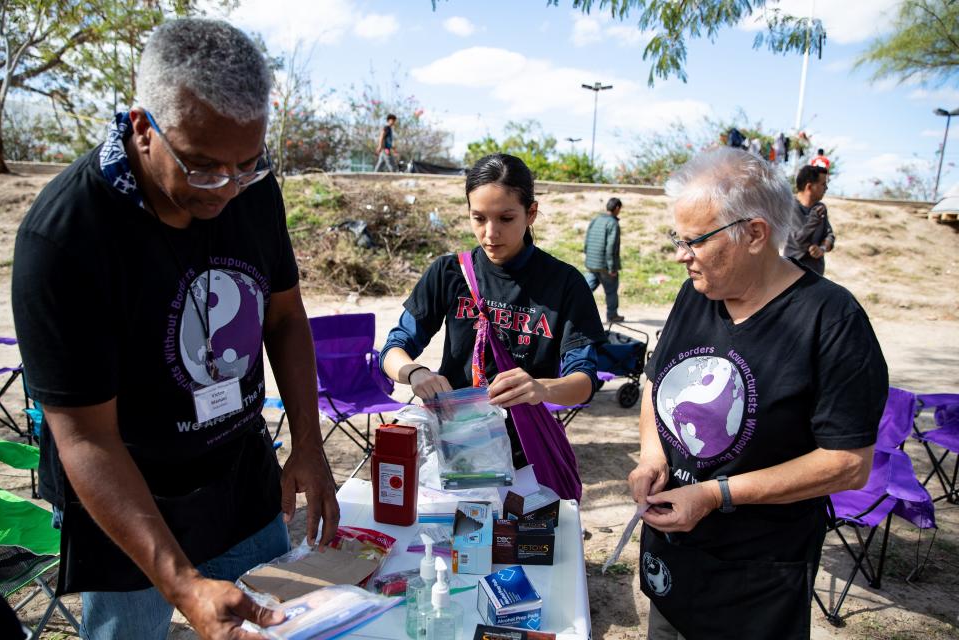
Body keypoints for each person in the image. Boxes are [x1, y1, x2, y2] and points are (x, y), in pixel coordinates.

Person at [11, 19, 340, 640]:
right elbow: (85, 439)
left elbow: (286, 315)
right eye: (201, 166)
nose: (225, 187)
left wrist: (308, 443)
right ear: (142, 127)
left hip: (238, 471)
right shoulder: (65, 238)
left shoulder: (251, 190)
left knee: (278, 625)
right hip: (128, 492)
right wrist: (183, 584)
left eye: (246, 164)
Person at [628, 147, 887, 640]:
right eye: (676, 239)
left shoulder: (831, 320)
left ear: (754, 234)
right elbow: (656, 380)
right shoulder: (696, 293)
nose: (680, 256)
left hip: (757, 575)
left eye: (695, 242)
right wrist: (651, 456)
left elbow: (848, 462)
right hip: (673, 557)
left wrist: (714, 494)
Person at [379, 153, 606, 467]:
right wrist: (415, 372)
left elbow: (583, 381)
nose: (490, 232)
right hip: (455, 446)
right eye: (479, 218)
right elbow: (393, 349)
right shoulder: (448, 273)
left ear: (531, 213)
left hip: (527, 450)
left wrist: (540, 388)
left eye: (506, 218)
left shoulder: (565, 284)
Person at [784, 165, 835, 276]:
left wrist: (822, 248)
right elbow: (799, 241)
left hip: (816, 273)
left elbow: (830, 236)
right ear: (809, 187)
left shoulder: (821, 208)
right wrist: (814, 219)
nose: (826, 188)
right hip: (793, 273)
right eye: (823, 184)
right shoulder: (790, 206)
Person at [584, 197, 624, 323]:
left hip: (592, 263)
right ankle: (612, 316)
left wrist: (588, 256)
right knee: (611, 291)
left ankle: (569, 309)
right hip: (605, 266)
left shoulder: (596, 219)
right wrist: (612, 268)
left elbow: (587, 239)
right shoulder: (613, 223)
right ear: (617, 208)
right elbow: (611, 247)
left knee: (584, 289)